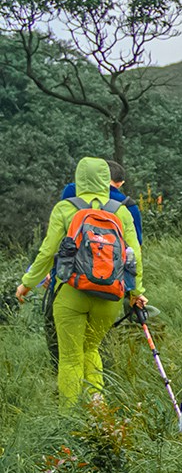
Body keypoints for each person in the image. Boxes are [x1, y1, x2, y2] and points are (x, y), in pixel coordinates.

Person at [12, 154, 149, 407]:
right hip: (109, 294)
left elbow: (47, 251)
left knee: (70, 358)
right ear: (105, 180)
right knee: (92, 349)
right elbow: (135, 255)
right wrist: (135, 292)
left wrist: (27, 283)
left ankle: (70, 417)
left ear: (79, 178)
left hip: (71, 293)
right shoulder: (121, 210)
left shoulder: (65, 207)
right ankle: (97, 410)